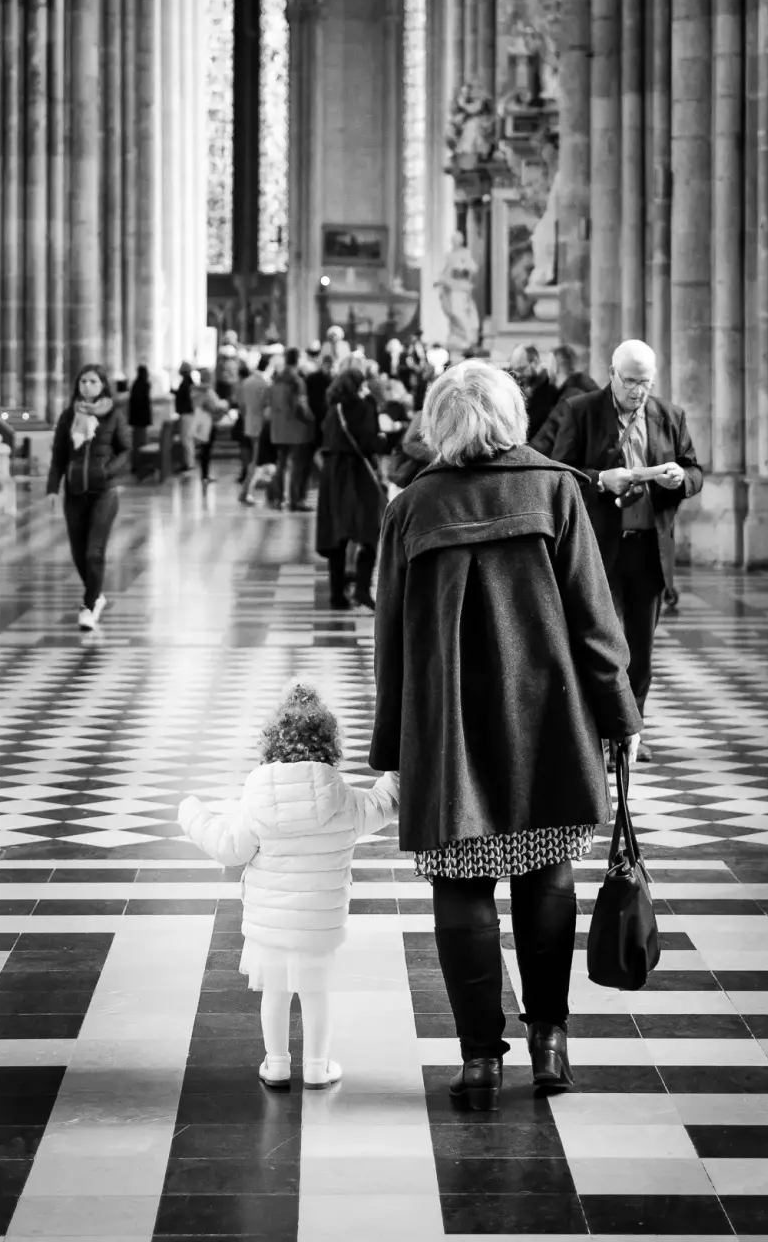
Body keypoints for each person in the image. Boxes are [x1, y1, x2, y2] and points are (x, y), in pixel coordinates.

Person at [370, 359, 641, 1113]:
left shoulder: (413, 508)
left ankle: (480, 1060)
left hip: (447, 729)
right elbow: (595, 619)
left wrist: (391, 750)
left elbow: (388, 640)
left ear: (439, 423)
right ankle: (550, 1044)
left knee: (460, 885)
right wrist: (619, 716)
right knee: (546, 875)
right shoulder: (556, 488)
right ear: (511, 416)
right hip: (547, 720)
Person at [178, 680, 399, 1091]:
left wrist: (192, 813)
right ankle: (318, 1067)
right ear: (330, 744)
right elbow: (384, 803)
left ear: (272, 742)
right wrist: (405, 760)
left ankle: (276, 1064)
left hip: (271, 925)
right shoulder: (344, 799)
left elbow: (229, 847)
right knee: (317, 995)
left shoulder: (257, 795)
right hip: (320, 926)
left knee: (275, 994)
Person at [545, 338, 702, 729]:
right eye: (630, 381)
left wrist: (681, 478)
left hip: (649, 549)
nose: (637, 391)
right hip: (598, 549)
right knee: (601, 643)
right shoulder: (580, 412)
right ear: (612, 374)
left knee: (641, 649)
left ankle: (631, 732)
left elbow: (695, 471)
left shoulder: (670, 416)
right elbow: (558, 477)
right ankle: (596, 731)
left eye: (645, 383)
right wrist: (600, 480)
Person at [47, 363, 132, 630]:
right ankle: (95, 594)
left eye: (93, 381)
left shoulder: (114, 415)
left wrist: (106, 472)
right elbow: (59, 455)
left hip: (104, 492)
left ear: (103, 385)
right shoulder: (67, 416)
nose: (87, 386)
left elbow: (126, 450)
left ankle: (89, 603)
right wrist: (52, 488)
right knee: (78, 552)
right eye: (83, 381)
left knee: (95, 550)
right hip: (74, 491)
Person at [315, 361, 385, 610]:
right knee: (369, 529)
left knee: (338, 534)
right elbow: (368, 441)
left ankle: (337, 594)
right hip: (356, 472)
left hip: (333, 473)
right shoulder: (364, 406)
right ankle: (363, 590)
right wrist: (383, 439)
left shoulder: (334, 408)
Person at [528, 344, 601, 455]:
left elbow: (546, 438)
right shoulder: (588, 388)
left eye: (548, 364)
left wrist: (527, 456)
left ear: (554, 366)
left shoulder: (571, 396)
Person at [269, 348, 316, 511]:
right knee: (298, 466)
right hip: (296, 429)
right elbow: (301, 406)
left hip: (278, 428)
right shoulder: (296, 381)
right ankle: (296, 500)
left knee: (281, 463)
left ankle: (277, 497)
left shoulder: (276, 379)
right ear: (298, 360)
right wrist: (312, 420)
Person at [237, 359, 272, 501]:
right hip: (260, 424)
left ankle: (247, 490)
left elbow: (241, 406)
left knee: (257, 458)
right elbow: (268, 406)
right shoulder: (265, 383)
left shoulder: (246, 382)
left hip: (249, 422)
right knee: (257, 460)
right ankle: (246, 492)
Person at [190, 380, 227, 484]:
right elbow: (213, 407)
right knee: (206, 450)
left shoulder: (196, 393)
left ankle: (205, 474)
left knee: (205, 450)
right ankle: (204, 475)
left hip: (204, 424)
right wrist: (223, 406)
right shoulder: (206, 393)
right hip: (207, 424)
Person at [128, 366, 153, 475]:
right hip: (142, 418)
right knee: (141, 442)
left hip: (135, 418)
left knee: (136, 443)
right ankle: (141, 464)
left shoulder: (135, 384)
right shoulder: (145, 384)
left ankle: (136, 465)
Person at [174, 363, 198, 474]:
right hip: (188, 413)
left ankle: (189, 463)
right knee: (187, 439)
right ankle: (189, 462)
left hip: (187, 413)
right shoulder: (188, 382)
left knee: (186, 439)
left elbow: (186, 397)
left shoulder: (187, 382)